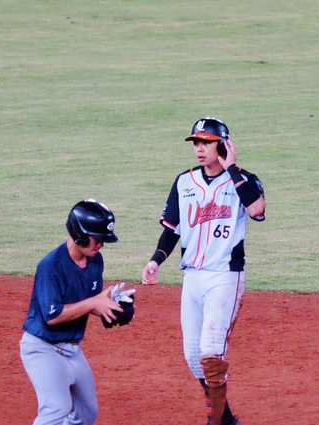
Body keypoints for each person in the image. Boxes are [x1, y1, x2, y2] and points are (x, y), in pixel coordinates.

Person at [141, 117, 266, 425]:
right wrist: (156, 260)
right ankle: (226, 419)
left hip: (225, 277)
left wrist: (232, 169)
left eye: (206, 143)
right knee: (193, 356)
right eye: (196, 142)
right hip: (192, 278)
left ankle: (216, 421)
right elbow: (172, 229)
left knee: (211, 351)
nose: (199, 149)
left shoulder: (244, 179)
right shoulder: (184, 182)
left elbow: (257, 210)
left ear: (223, 145)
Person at [20, 199, 134, 425]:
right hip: (43, 348)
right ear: (79, 234)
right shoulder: (50, 266)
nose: (101, 244)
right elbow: (53, 316)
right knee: (57, 407)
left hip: (73, 350)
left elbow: (90, 299)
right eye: (97, 238)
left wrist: (110, 305)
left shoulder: (94, 261)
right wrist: (94, 303)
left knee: (86, 413)